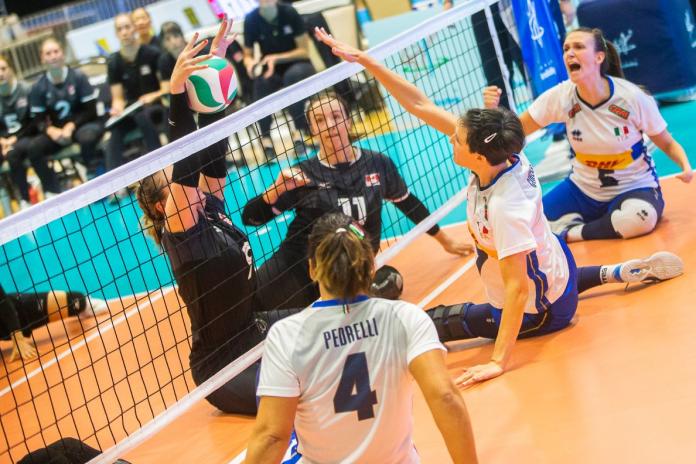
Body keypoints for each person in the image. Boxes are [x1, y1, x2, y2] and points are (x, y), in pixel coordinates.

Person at [315, 27, 684, 387]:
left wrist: (497, 361)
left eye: (456, 140)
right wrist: (367, 61)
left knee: (437, 321)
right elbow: (420, 105)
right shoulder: (504, 157)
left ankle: (599, 280)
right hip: (558, 270)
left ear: (476, 155)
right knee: (546, 267)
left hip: (541, 314)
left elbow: (517, 291)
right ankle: (615, 272)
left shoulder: (506, 207)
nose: (451, 142)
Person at [136, 19, 298, 415]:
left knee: (341, 325)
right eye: (170, 178)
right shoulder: (181, 228)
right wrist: (177, 94)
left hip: (255, 331)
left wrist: (214, 76)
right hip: (222, 369)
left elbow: (213, 148)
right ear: (163, 204)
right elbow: (188, 158)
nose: (176, 175)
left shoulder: (208, 205)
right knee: (304, 396)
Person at [246, 212, 478, 463]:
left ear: (312, 268)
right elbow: (445, 397)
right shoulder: (406, 317)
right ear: (372, 265)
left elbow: (271, 437)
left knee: (287, 433)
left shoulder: (287, 335)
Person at [242, 90, 473, 311]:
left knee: (389, 285)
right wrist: (275, 190)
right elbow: (250, 219)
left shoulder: (377, 164)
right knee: (251, 308)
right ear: (312, 129)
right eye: (320, 120)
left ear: (348, 121)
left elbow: (407, 202)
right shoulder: (302, 173)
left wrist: (445, 241)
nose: (330, 125)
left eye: (336, 117)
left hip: (350, 267)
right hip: (300, 266)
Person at [482, 27, 692, 242]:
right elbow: (514, 132)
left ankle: (572, 233)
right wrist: (493, 111)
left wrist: (685, 166)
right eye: (566, 49)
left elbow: (667, 143)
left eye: (579, 47)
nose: (569, 53)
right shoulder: (561, 96)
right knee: (529, 222)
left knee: (640, 218)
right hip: (583, 189)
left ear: (599, 57)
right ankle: (601, 223)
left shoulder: (631, 97)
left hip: (634, 187)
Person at [242, 0, 316, 159]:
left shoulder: (289, 12)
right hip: (271, 70)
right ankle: (266, 141)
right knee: (261, 83)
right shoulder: (251, 20)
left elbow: (304, 51)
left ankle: (299, 135)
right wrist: (250, 64)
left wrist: (275, 58)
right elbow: (247, 55)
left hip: (299, 65)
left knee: (292, 77)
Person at [30, 38, 105, 180]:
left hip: (83, 125)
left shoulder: (78, 77)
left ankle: (96, 175)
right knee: (34, 148)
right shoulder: (38, 87)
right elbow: (37, 120)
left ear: (62, 54)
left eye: (56, 51)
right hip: (58, 133)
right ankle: (52, 190)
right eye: (48, 53)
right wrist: (50, 130)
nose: (53, 56)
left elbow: (91, 111)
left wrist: (72, 125)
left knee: (87, 137)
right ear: (42, 58)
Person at [106, 13, 164, 177]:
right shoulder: (114, 62)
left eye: (127, 27)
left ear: (134, 28)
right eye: (120, 29)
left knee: (143, 117)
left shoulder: (152, 54)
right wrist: (116, 109)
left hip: (155, 106)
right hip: (132, 109)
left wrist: (153, 96)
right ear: (117, 34)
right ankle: (114, 184)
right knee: (116, 131)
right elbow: (118, 98)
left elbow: (166, 87)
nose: (124, 32)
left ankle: (161, 169)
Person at [0, 282, 108, 362]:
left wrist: (18, 338)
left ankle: (85, 305)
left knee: (77, 302)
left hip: (15, 312)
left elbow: (3, 302)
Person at [0, 53, 54, 210]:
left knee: (20, 151)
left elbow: (36, 121)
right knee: (11, 154)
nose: (0, 73)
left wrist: (14, 139)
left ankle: (48, 190)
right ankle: (23, 199)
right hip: (7, 142)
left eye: (3, 68)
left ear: (11, 70)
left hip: (29, 136)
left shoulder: (27, 89)